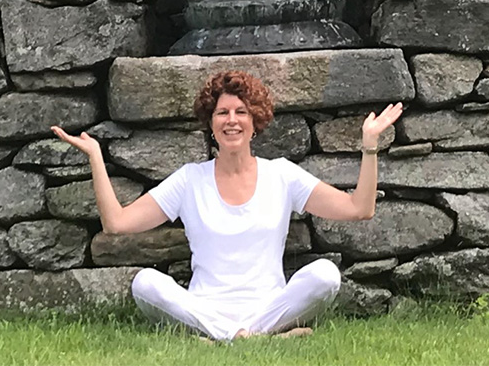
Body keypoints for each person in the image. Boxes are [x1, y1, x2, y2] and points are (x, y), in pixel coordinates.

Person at [52, 70, 403, 341]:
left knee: (325, 275)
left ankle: (228, 338)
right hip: (205, 307)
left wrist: (369, 145)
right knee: (144, 283)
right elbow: (117, 223)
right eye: (222, 113)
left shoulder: (282, 175)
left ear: (255, 123)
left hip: (270, 307)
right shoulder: (189, 180)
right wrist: (96, 157)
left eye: (240, 112)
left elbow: (359, 208)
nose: (231, 120)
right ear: (211, 123)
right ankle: (256, 340)